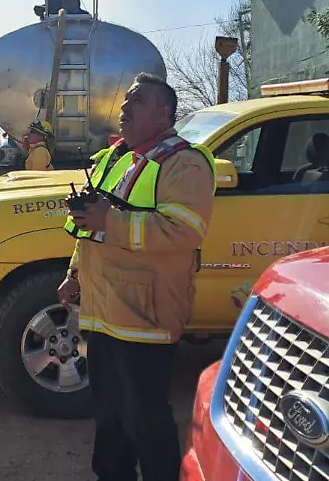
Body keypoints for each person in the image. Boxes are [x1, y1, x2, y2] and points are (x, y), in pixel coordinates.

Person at [60, 72, 216, 481]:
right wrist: (74, 273)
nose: (125, 107)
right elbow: (90, 223)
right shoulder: (115, 158)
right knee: (109, 421)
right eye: (126, 100)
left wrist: (110, 220)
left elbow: (182, 231)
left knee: (145, 423)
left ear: (163, 113)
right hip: (101, 313)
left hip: (144, 319)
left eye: (138, 101)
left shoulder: (185, 163)